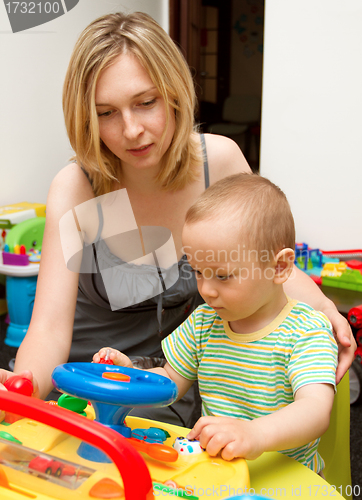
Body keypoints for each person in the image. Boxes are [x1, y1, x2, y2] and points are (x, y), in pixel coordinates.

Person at [0, 12, 353, 422]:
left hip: (172, 389)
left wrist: (325, 308)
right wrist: (21, 388)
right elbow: (48, 330)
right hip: (85, 393)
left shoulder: (215, 162)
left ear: (173, 94)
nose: (131, 129)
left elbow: (266, 262)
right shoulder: (79, 186)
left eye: (145, 103)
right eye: (106, 112)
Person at [93, 173, 337, 473]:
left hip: (285, 477)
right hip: (219, 470)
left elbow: (314, 411)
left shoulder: (307, 331)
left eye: (222, 276)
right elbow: (170, 382)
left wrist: (255, 434)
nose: (206, 290)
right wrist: (131, 376)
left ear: (279, 266)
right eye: (197, 271)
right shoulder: (204, 322)